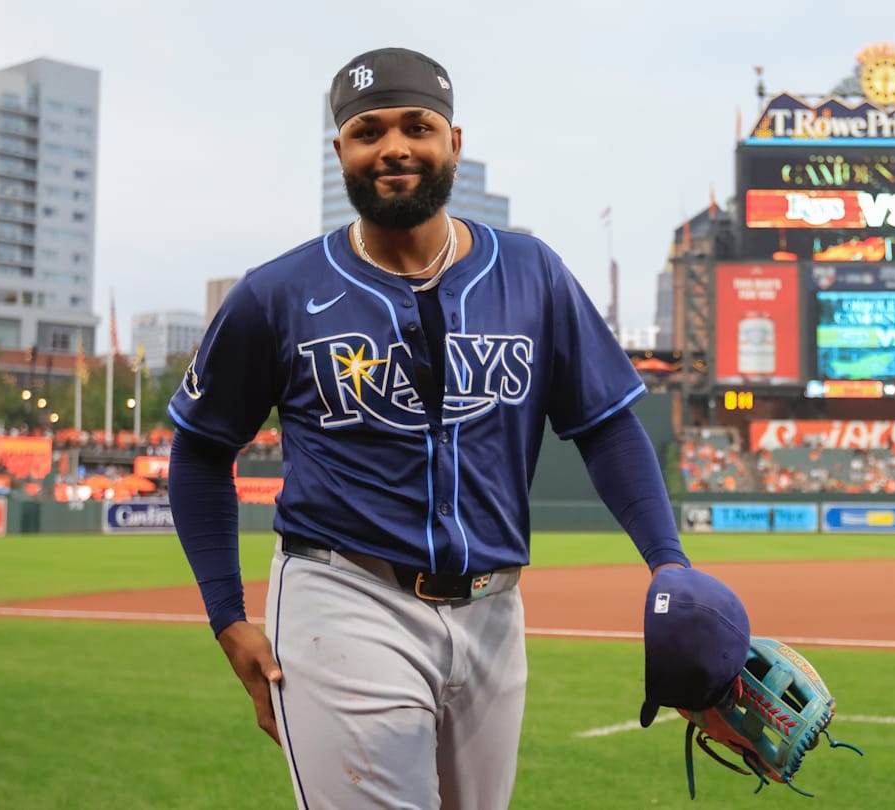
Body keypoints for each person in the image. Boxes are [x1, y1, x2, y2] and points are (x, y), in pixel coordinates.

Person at [166, 46, 689, 810]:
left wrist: (667, 563)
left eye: (418, 126)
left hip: (494, 609)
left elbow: (606, 426)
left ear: (454, 143)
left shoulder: (532, 273)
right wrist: (225, 615)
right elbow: (202, 448)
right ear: (340, 150)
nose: (395, 148)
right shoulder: (276, 295)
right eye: (369, 131)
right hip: (344, 595)